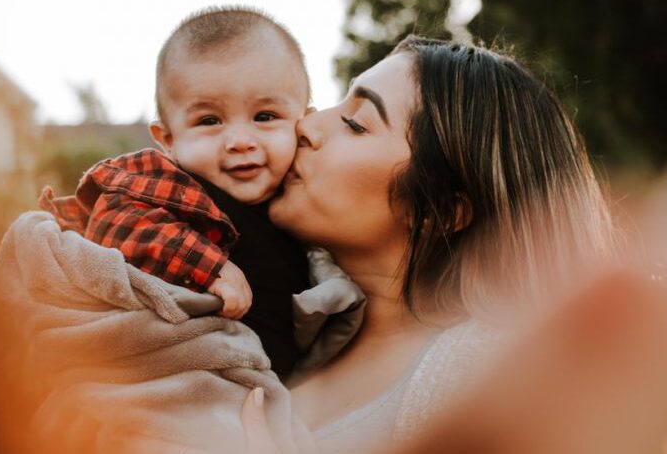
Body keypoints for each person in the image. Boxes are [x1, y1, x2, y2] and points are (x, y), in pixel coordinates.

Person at [259, 34, 616, 452]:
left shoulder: (486, 377)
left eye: (355, 123)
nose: (305, 124)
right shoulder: (282, 321)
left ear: (440, 211)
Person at [39, 6, 315, 381]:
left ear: (305, 122)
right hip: (183, 382)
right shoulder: (172, 184)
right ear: (168, 140)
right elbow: (116, 221)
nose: (239, 141)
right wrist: (207, 266)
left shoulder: (307, 197)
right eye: (209, 121)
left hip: (277, 391)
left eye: (265, 116)